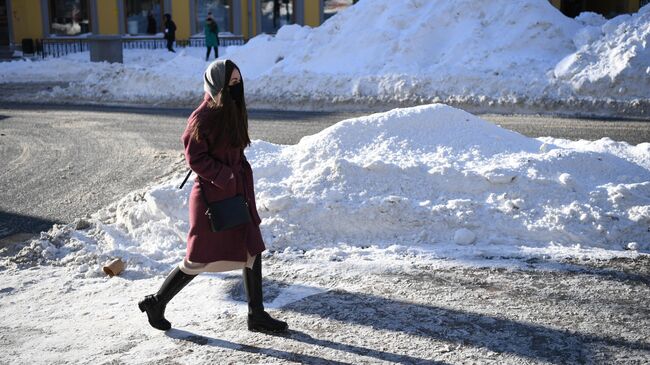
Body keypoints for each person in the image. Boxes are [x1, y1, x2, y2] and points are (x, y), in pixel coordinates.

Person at [138, 59, 289, 334]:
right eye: (231, 83)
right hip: (212, 198)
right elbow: (194, 157)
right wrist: (226, 176)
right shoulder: (203, 116)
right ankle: (156, 303)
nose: (237, 87)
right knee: (196, 260)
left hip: (237, 193)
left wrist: (237, 176)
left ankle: (256, 315)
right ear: (216, 84)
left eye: (238, 82)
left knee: (252, 248)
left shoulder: (230, 109)